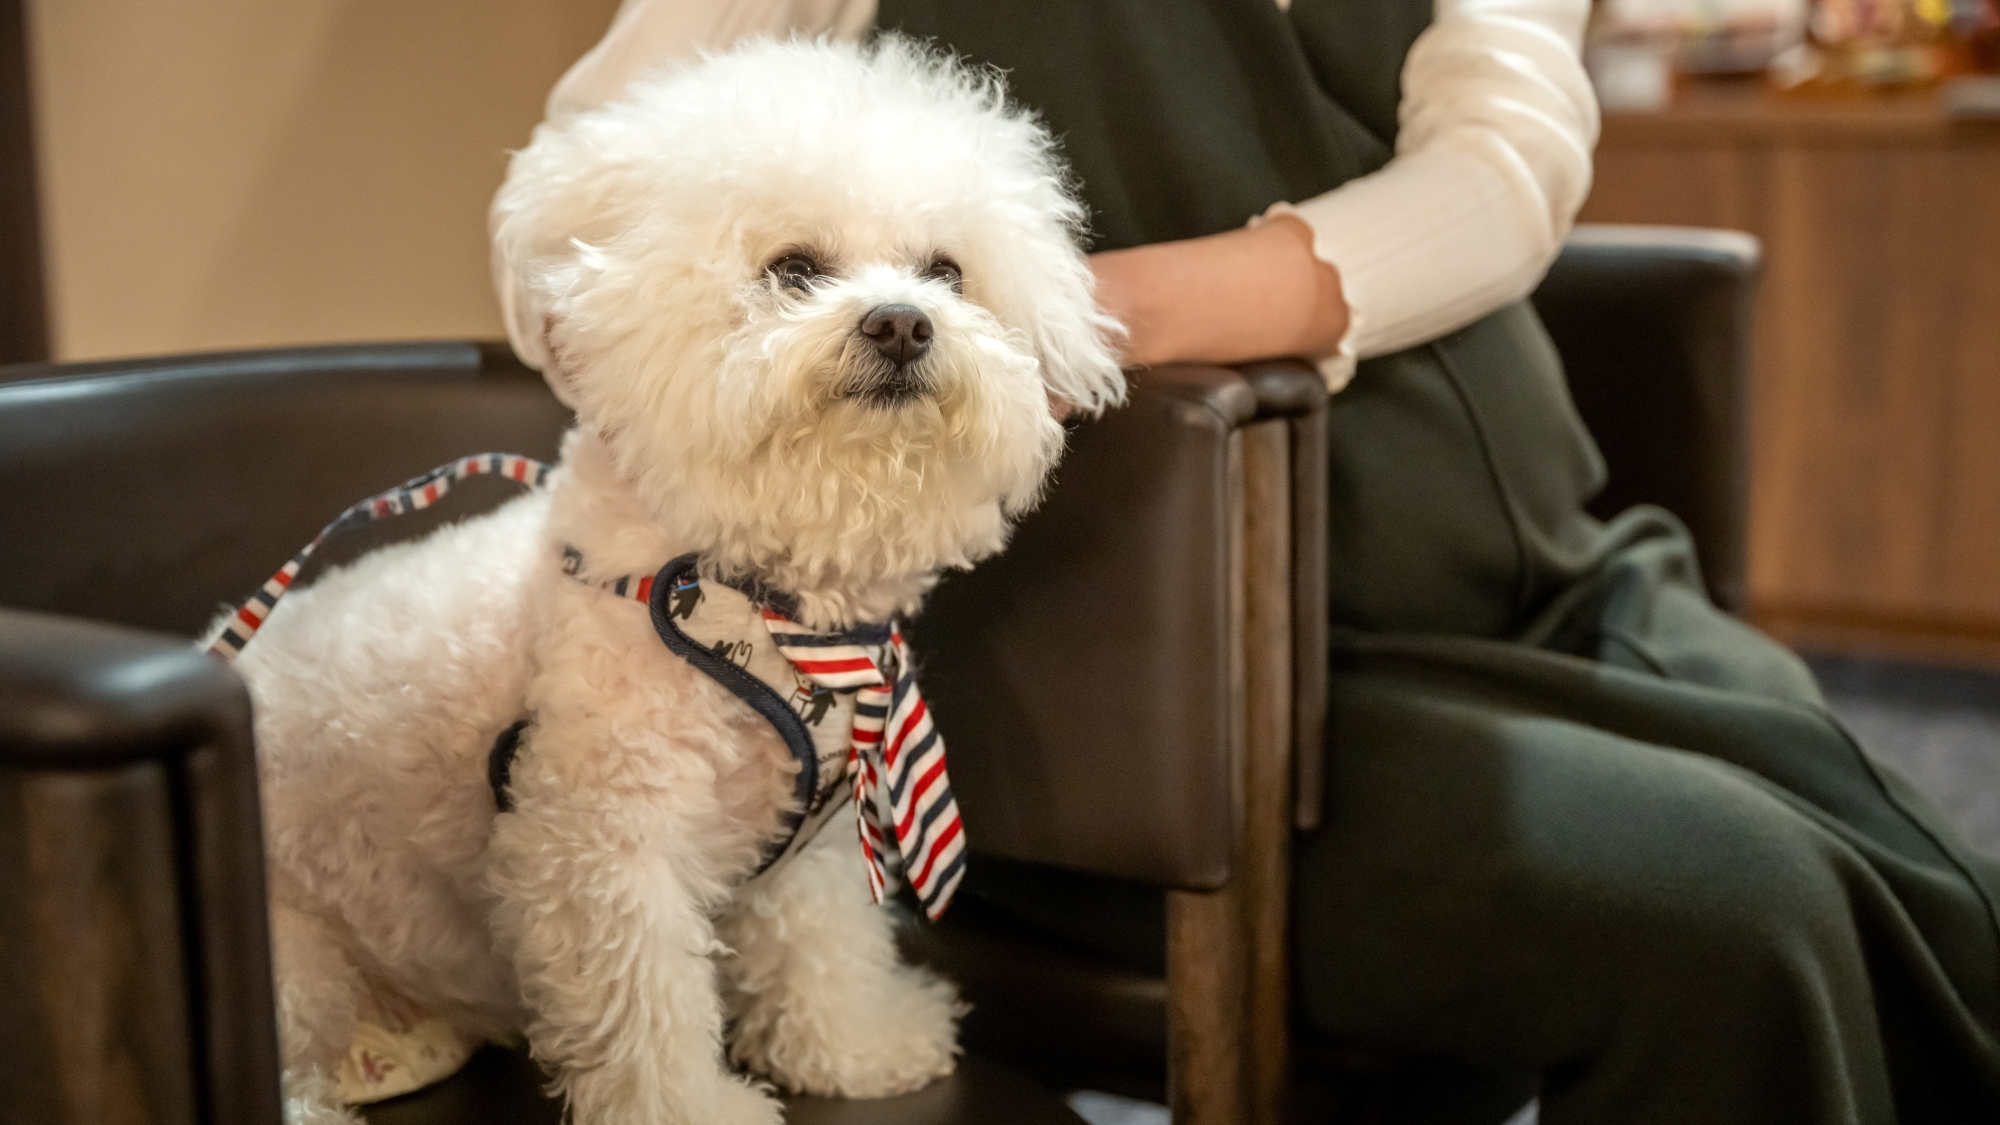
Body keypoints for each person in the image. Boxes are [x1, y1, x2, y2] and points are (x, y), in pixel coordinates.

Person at [493, 2, 2000, 1121]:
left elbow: (1507, 164)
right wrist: (724, 357)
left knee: (1933, 890)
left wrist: (1067, 307)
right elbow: (555, 208)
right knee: (1744, 920)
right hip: (1158, 681)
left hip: (1541, 561)